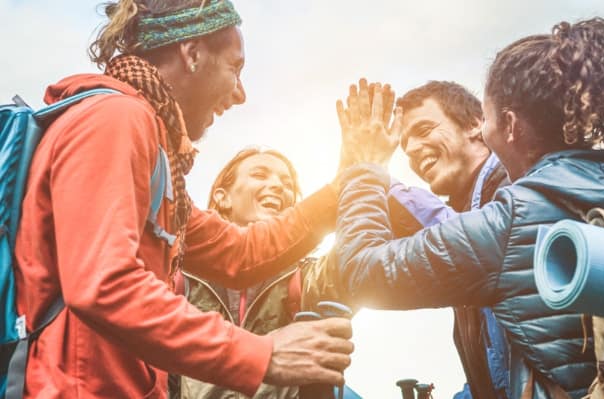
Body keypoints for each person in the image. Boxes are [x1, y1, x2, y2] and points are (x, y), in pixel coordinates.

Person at [333, 18, 604, 399]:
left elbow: (363, 273)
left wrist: (364, 168)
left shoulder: (513, 220)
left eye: (488, 119)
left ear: (506, 125)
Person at [13, 1, 354, 397]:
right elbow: (103, 284)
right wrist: (262, 355)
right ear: (192, 54)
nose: (241, 94)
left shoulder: (156, 156)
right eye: (235, 68)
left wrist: (347, 184)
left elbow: (240, 253)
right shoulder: (116, 118)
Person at [178, 147, 355, 399]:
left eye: (287, 183)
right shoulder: (179, 278)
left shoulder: (307, 277)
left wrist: (356, 179)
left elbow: (358, 258)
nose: (277, 186)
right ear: (222, 197)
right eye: (260, 175)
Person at [396, 81, 510, 399]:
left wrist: (377, 183)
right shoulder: (468, 206)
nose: (413, 150)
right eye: (405, 145)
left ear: (475, 124)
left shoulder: (513, 188)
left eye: (424, 129)